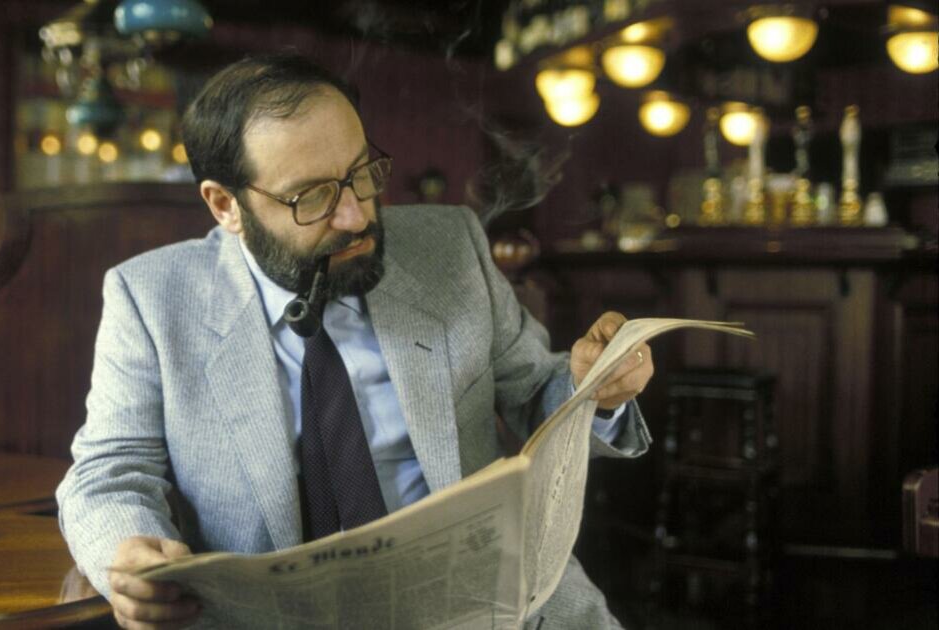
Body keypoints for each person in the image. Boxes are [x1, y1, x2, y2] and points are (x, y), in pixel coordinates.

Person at [56, 53, 655, 630]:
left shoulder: (449, 246)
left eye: (361, 174)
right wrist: (128, 551)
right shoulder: (152, 298)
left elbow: (537, 392)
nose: (356, 216)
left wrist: (591, 390)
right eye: (312, 196)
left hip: (499, 607)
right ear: (225, 206)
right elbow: (108, 472)